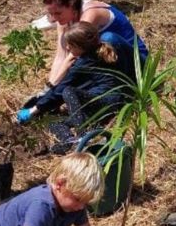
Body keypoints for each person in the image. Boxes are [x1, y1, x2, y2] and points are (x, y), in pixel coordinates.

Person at [16, 22, 134, 152]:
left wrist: (34, 110)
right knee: (54, 123)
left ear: (80, 46)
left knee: (68, 91)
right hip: (102, 106)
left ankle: (82, 136)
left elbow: (61, 90)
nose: (67, 47)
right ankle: (68, 141)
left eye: (70, 45)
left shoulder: (84, 63)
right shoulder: (104, 49)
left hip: (106, 102)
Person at [41, 0, 148, 88]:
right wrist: (48, 87)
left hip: (137, 63)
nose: (54, 18)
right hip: (110, 63)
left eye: (58, 13)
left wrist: (52, 87)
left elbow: (73, 56)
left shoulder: (91, 14)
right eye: (51, 14)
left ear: (71, 3)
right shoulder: (63, 20)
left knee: (107, 38)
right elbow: (61, 55)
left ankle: (124, 89)